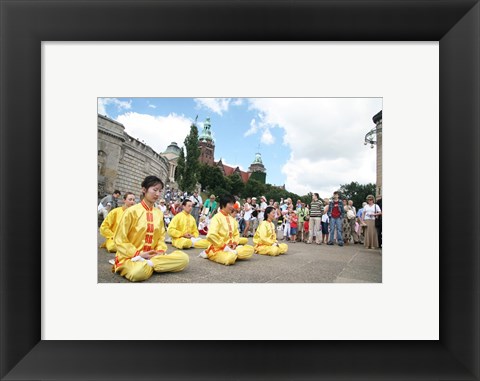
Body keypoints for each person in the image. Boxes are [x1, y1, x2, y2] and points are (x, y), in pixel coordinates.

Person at [113, 176, 189, 282]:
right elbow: (119, 239)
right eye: (155, 190)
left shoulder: (158, 213)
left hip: (152, 256)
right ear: (144, 190)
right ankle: (150, 265)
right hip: (131, 257)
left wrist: (159, 251)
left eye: (160, 191)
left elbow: (161, 238)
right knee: (137, 272)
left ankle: (149, 264)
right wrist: (138, 254)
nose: (158, 194)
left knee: (184, 258)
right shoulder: (131, 212)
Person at [202, 195, 254, 265]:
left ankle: (233, 253)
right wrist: (224, 246)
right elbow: (211, 235)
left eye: (233, 204)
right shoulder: (216, 218)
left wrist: (235, 243)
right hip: (219, 248)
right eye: (230, 204)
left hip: (231, 247)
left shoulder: (232, 219)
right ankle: (216, 254)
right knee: (230, 258)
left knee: (250, 249)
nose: (232, 206)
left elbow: (236, 234)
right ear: (223, 204)